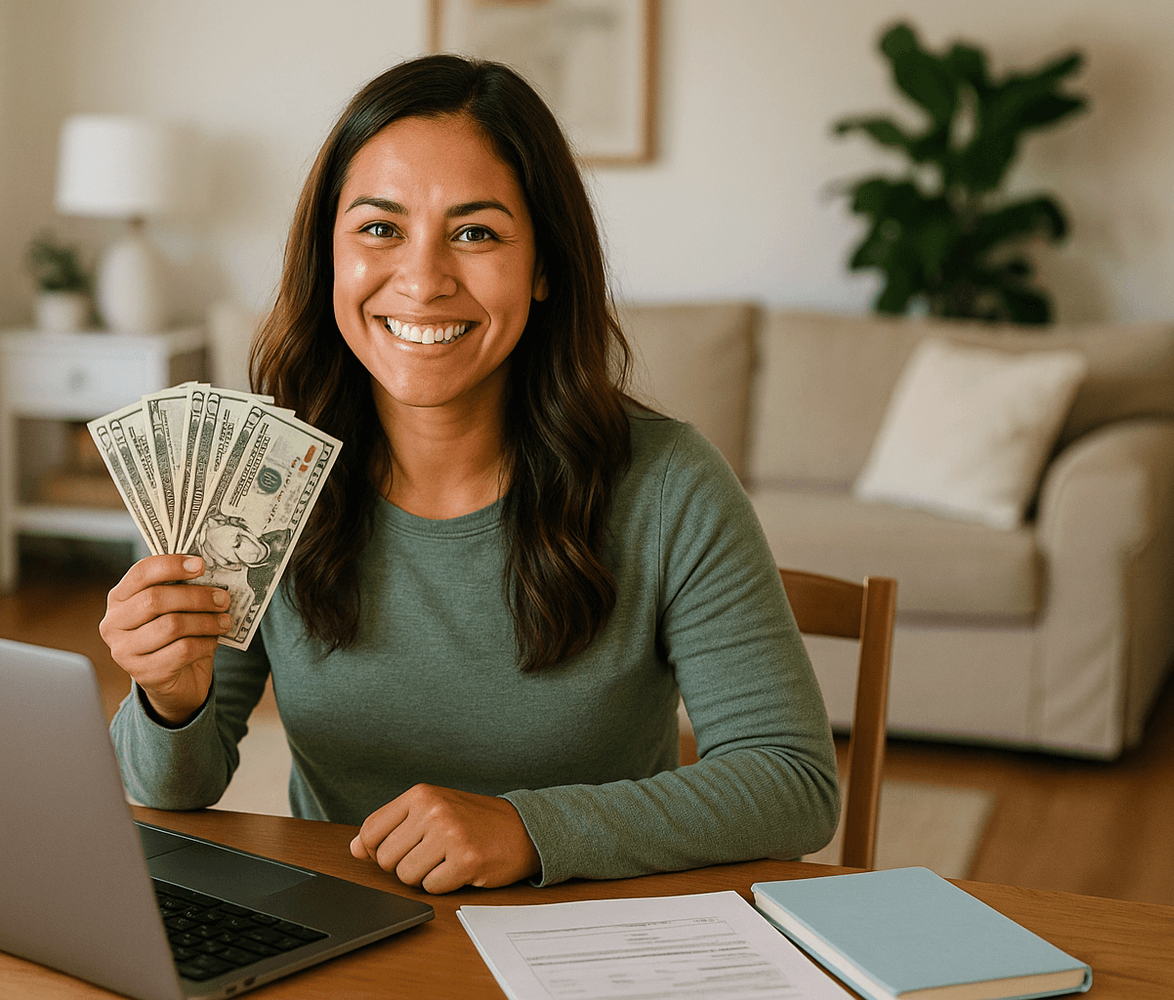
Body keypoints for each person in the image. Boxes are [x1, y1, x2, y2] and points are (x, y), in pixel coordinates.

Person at [101, 54, 839, 894]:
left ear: (545, 266)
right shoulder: (258, 478)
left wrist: (533, 830)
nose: (421, 280)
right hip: (347, 938)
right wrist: (169, 697)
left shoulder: (669, 484)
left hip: (590, 935)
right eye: (379, 229)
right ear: (328, 256)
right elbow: (171, 792)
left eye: (476, 232)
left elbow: (793, 784)